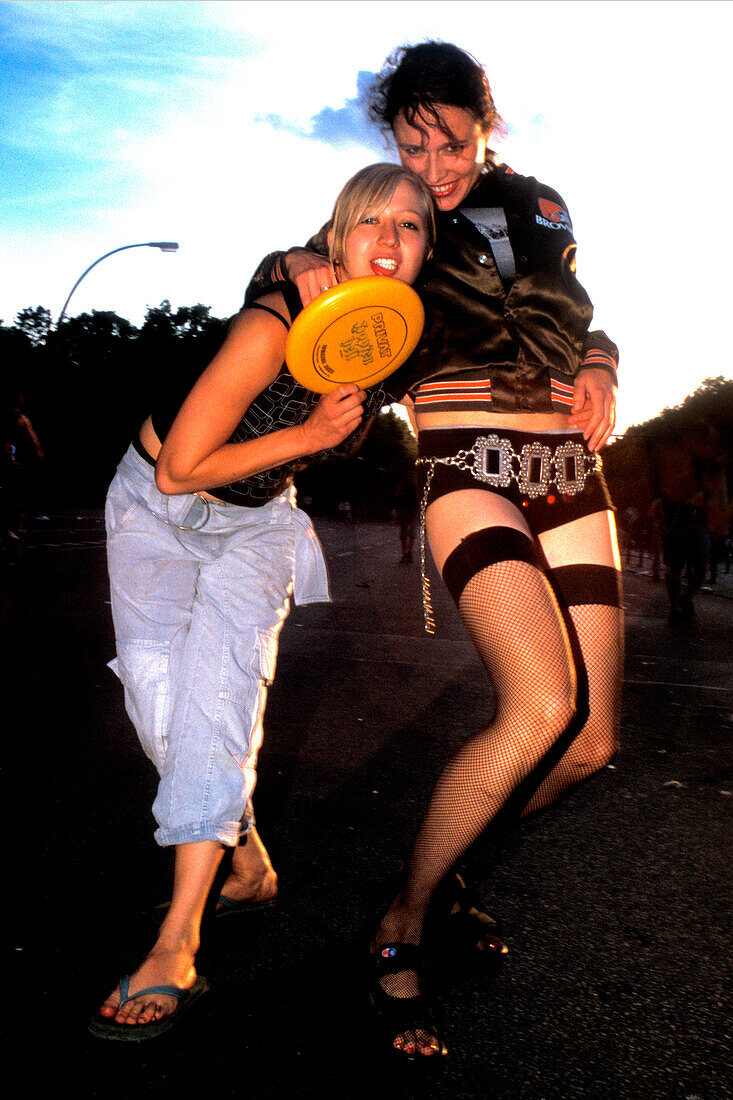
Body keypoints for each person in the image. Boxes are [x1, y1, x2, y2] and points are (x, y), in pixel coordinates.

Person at [247, 41, 623, 1064]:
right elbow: (301, 275)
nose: (431, 161)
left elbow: (584, 318)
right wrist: (298, 270)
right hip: (466, 462)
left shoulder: (541, 207)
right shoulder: (394, 220)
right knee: (541, 705)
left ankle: (451, 868)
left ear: (483, 122)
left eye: (447, 140)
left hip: (570, 470)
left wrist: (601, 365)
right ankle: (402, 918)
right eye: (410, 141)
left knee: (590, 742)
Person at [90, 163, 435, 1039]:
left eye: (412, 226)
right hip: (157, 503)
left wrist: (598, 357)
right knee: (159, 714)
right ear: (334, 235)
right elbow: (180, 468)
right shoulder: (274, 318)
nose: (391, 242)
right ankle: (243, 860)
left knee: (223, 700)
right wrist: (311, 433)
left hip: (258, 526)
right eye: (371, 222)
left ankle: (177, 940)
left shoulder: (398, 340)